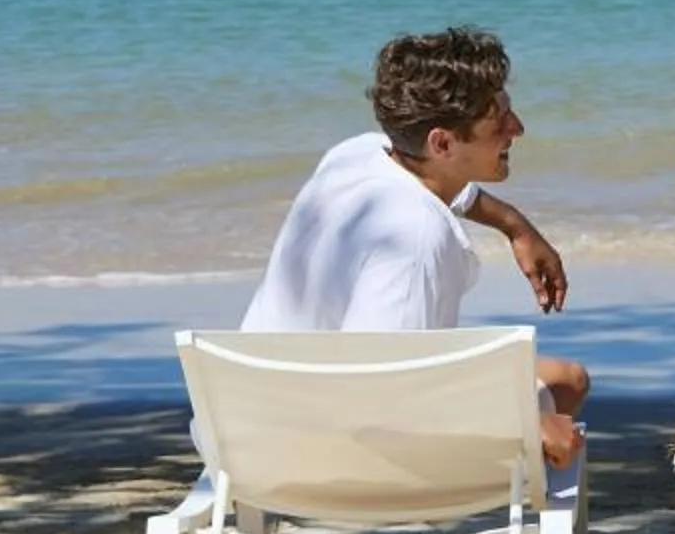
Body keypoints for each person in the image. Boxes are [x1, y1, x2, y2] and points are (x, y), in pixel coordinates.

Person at [242, 26, 590, 468]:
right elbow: (378, 403)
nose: (517, 128)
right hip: (339, 461)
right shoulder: (417, 240)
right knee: (565, 389)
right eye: (499, 119)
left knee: (563, 378)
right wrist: (527, 425)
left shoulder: (359, 153)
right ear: (442, 142)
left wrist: (515, 226)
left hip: (248, 437)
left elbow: (450, 193)